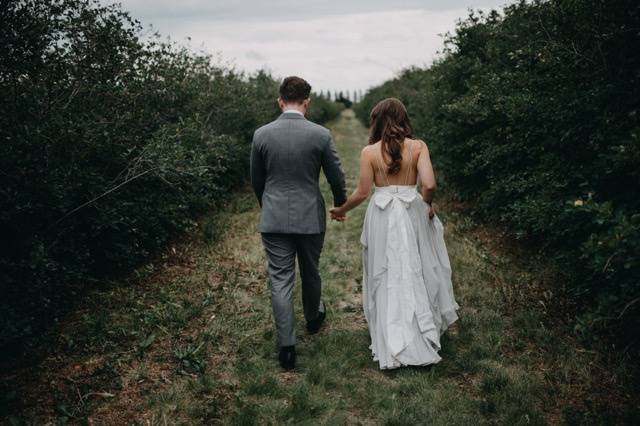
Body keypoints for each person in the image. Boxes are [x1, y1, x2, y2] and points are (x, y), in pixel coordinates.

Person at [330, 97, 460, 370]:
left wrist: (342, 209)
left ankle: (392, 337)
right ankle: (422, 331)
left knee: (385, 270)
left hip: (382, 214)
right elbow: (430, 183)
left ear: (377, 120)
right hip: (412, 211)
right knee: (418, 267)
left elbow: (363, 192)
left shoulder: (369, 152)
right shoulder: (419, 147)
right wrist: (425, 203)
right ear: (403, 119)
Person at [250, 76, 347, 370]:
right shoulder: (320, 134)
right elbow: (336, 176)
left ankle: (287, 347)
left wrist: (266, 204)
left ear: (281, 101)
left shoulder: (262, 134)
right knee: (310, 269)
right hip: (309, 216)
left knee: (280, 279)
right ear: (307, 102)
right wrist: (340, 204)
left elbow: (257, 179)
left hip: (274, 216)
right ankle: (314, 318)